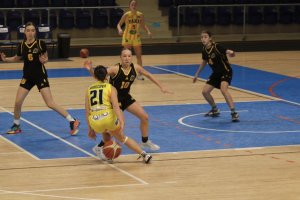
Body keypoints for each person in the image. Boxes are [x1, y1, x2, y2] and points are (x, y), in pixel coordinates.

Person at [84, 49, 172, 154]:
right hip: (114, 100)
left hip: (126, 97)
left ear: (131, 57)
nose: (127, 58)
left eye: (129, 56)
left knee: (145, 117)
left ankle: (145, 141)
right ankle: (100, 146)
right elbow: (99, 75)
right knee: (117, 127)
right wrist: (90, 69)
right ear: (121, 57)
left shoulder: (136, 67)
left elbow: (149, 75)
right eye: (124, 56)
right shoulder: (115, 69)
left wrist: (161, 86)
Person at [0, 22, 80, 135]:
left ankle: (72, 120)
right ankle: (16, 126)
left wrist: (45, 61)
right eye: (28, 30)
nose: (30, 32)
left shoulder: (40, 43)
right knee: (18, 102)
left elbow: (45, 58)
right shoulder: (22, 45)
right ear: (25, 32)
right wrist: (6, 59)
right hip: (27, 77)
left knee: (50, 103)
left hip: (40, 76)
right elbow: (16, 58)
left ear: (35, 32)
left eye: (32, 30)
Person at [85, 65, 152, 163]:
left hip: (95, 123)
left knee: (105, 131)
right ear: (107, 76)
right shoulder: (111, 88)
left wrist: (90, 129)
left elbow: (87, 111)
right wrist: (121, 121)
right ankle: (144, 155)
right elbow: (116, 106)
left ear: (95, 77)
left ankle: (106, 153)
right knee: (122, 137)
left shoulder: (88, 90)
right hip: (108, 119)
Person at [193, 30, 239, 122]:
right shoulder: (204, 50)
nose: (203, 39)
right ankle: (215, 109)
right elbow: (204, 62)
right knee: (205, 92)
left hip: (226, 71)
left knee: (223, 89)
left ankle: (234, 113)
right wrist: (197, 74)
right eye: (201, 37)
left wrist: (231, 53)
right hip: (216, 73)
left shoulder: (217, 46)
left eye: (205, 37)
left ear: (210, 38)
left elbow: (229, 52)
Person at [117, 0, 152, 80]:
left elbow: (143, 25)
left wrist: (148, 31)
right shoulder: (126, 15)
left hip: (136, 37)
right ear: (129, 6)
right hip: (127, 37)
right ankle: (124, 74)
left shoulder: (140, 15)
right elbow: (119, 24)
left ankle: (139, 74)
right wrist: (119, 30)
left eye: (135, 4)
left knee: (139, 56)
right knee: (126, 56)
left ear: (137, 6)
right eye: (132, 4)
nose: (134, 5)